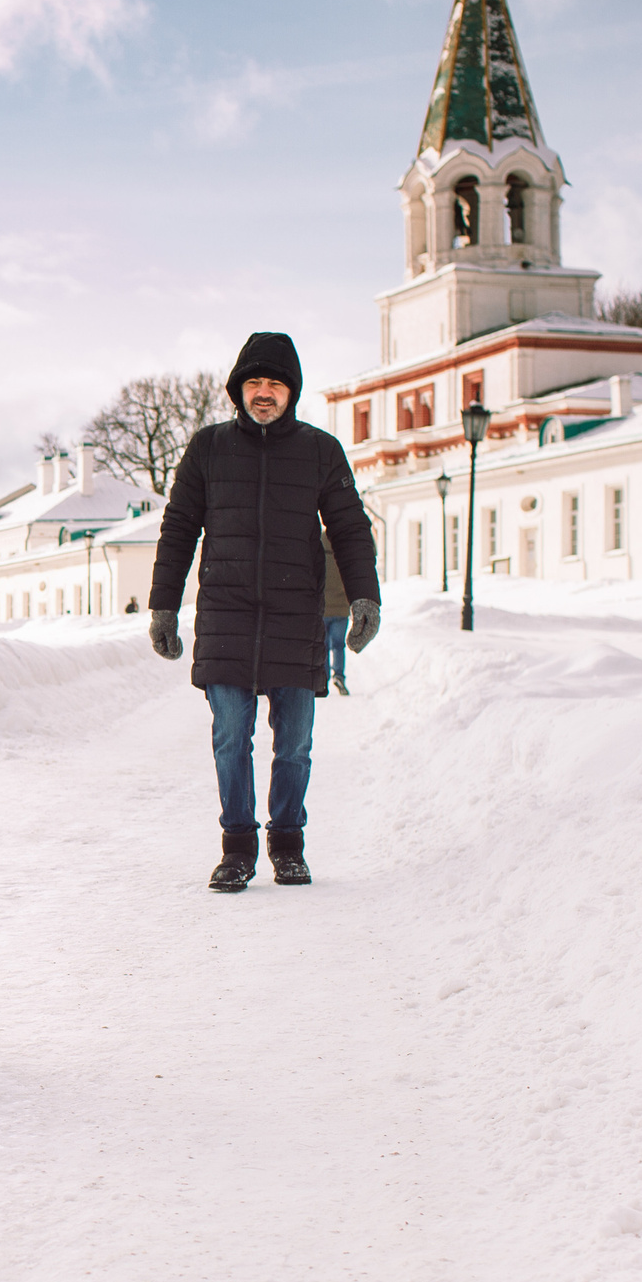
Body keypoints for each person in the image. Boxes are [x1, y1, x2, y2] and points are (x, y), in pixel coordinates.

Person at [147, 332, 379, 891]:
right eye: (254, 382)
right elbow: (179, 527)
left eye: (274, 383)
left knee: (294, 743)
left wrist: (366, 595)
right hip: (226, 615)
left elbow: (349, 527)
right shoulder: (208, 449)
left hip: (294, 617)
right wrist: (162, 606)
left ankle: (288, 842)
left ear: (291, 390)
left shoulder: (321, 451)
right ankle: (237, 847)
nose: (264, 393)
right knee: (231, 738)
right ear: (238, 389)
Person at [319, 529, 352, 696]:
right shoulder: (344, 552)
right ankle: (339, 675)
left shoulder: (318, 550)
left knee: (323, 646)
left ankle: (323, 679)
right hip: (341, 608)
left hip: (323, 608)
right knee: (338, 645)